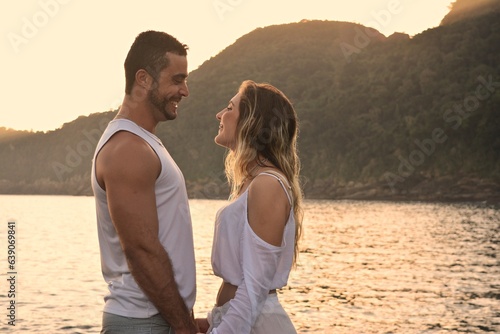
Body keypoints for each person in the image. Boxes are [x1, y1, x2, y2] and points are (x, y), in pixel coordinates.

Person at [91, 30, 199, 334]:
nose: (185, 91)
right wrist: (183, 326)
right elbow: (141, 250)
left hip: (155, 320)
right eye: (177, 80)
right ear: (144, 79)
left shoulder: (143, 143)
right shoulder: (128, 149)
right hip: (142, 324)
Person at [201, 80, 304, 333]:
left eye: (229, 108)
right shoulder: (253, 182)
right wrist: (209, 323)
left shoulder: (267, 184)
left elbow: (255, 289)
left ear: (251, 122)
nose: (220, 114)